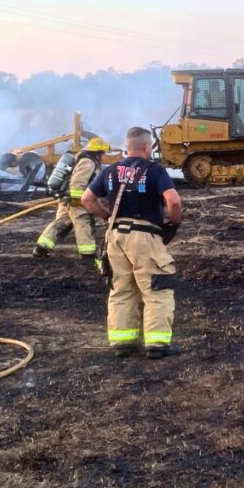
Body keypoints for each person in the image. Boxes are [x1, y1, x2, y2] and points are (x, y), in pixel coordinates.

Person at [82, 127, 182, 359]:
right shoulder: (155, 170)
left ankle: (123, 343)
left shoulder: (110, 170)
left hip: (115, 237)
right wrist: (172, 226)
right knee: (157, 288)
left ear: (127, 147)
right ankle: (157, 345)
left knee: (121, 289)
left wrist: (108, 217)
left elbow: (87, 199)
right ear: (147, 147)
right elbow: (173, 201)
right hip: (145, 237)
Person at [33, 137, 110, 262]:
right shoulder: (88, 163)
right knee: (83, 223)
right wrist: (77, 200)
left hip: (67, 198)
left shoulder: (81, 158)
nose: (104, 156)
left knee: (60, 223)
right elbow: (77, 184)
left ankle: (41, 248)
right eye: (103, 153)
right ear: (98, 152)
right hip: (75, 200)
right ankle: (88, 255)